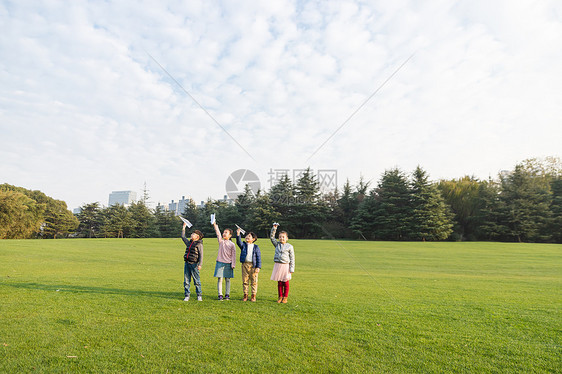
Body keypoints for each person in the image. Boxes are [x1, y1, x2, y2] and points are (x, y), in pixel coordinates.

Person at [270, 223, 295, 304]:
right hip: (278, 265)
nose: (281, 238)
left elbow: (292, 258)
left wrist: (291, 268)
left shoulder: (289, 246)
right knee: (279, 282)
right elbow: (271, 238)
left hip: (286, 266)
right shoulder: (277, 245)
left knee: (286, 282)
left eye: (283, 237)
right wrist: (274, 229)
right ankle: (280, 296)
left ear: (287, 238)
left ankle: (285, 297)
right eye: (280, 237)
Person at [236, 228, 261, 302]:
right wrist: (238, 234)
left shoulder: (256, 247)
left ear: (253, 239)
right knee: (245, 280)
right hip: (245, 265)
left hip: (253, 265)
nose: (247, 237)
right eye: (246, 236)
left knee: (254, 281)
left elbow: (258, 257)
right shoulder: (243, 245)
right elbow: (238, 242)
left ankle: (253, 295)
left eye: (249, 236)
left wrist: (258, 267)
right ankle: (245, 294)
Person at [213, 221, 236, 301]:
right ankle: (220, 294)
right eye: (224, 232)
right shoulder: (221, 242)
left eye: (226, 232)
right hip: (220, 262)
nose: (224, 233)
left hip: (228, 264)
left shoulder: (232, 244)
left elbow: (234, 255)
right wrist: (215, 225)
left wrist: (233, 264)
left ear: (230, 235)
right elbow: (218, 233)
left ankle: (227, 294)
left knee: (228, 279)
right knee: (220, 279)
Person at [181, 223, 204, 301]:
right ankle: (187, 295)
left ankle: (199, 295)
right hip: (187, 263)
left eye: (193, 234)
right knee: (186, 280)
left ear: (197, 237)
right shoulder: (189, 243)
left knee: (196, 280)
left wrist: (200, 265)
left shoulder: (199, 245)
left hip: (194, 264)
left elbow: (201, 255)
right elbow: (183, 237)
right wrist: (184, 227)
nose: (191, 235)